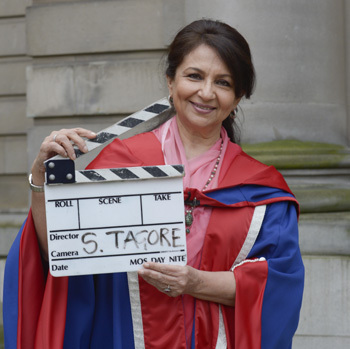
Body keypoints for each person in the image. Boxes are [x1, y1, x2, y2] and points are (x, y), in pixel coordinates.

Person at [3, 19, 304, 349]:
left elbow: (277, 287)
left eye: (223, 82)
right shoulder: (120, 163)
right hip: (122, 336)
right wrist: (41, 181)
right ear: (171, 81)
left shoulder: (261, 191)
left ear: (238, 96)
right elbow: (62, 255)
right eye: (194, 76)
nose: (206, 92)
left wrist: (195, 282)